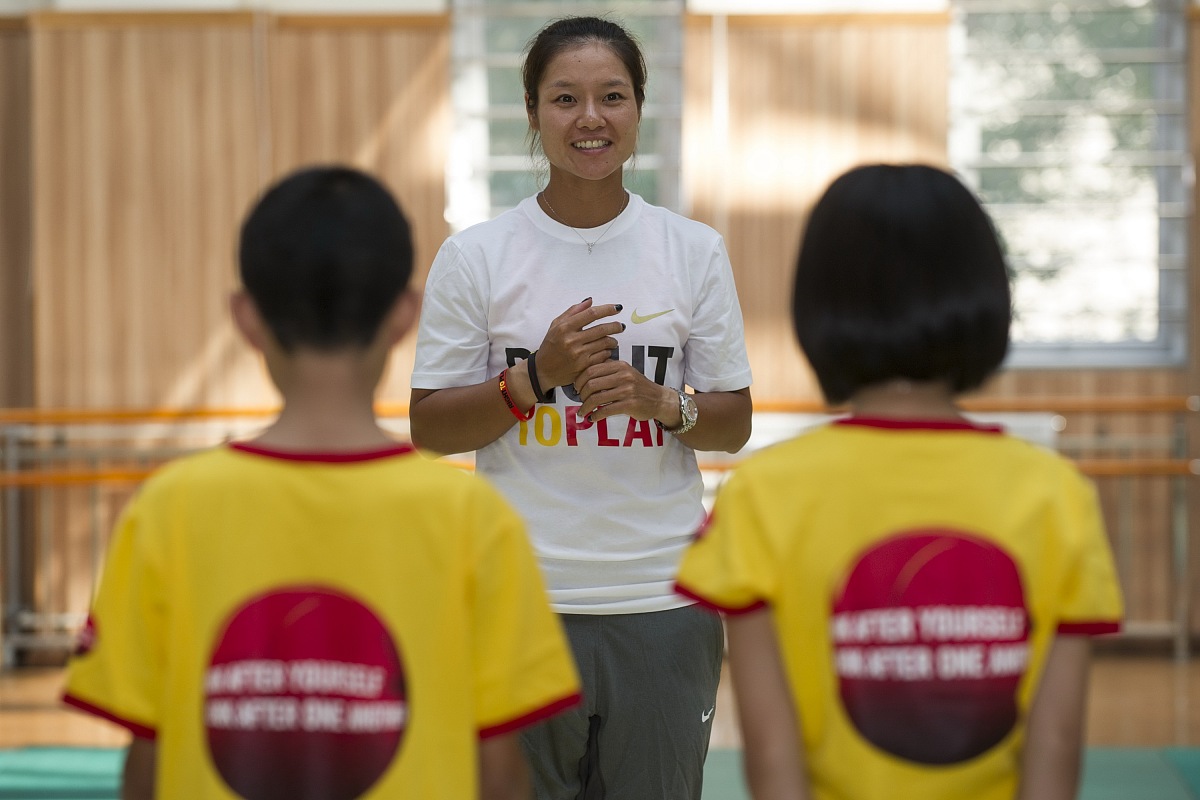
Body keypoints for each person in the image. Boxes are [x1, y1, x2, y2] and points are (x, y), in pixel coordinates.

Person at [62, 165, 581, 800]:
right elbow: (498, 773)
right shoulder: (472, 518)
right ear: (403, 315)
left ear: (246, 318)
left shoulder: (169, 509)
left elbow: (148, 759)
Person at [675, 164, 1124, 800]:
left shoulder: (765, 494)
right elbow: (1054, 750)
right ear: (988, 297)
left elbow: (774, 755)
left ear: (819, 306)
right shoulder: (1056, 495)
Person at [409, 15, 753, 800]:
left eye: (612, 96)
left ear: (639, 109)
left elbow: (735, 420)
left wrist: (663, 401)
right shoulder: (478, 255)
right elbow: (429, 427)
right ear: (532, 112)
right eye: (565, 98)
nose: (590, 118)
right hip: (521, 604)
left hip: (664, 605)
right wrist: (531, 380)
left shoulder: (692, 250)